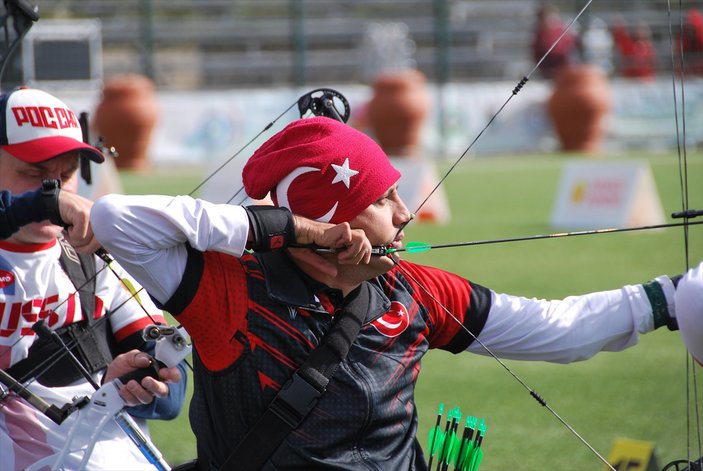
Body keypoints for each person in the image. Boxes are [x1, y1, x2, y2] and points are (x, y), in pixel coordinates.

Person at [90, 116, 702, 470]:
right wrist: (300, 231)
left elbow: (557, 328)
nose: (406, 213)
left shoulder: (413, 290)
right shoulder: (226, 288)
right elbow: (117, 216)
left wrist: (672, 297)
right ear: (334, 216)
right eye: (382, 200)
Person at [0, 87, 187, 470]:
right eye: (34, 173)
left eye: (65, 175)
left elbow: (172, 393)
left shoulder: (95, 259)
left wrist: (135, 383)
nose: (53, 190)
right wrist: (35, 205)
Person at [531, 4, 581, 79]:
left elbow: (573, 44)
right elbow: (539, 53)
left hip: (565, 67)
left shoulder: (561, 30)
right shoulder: (539, 34)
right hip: (548, 70)